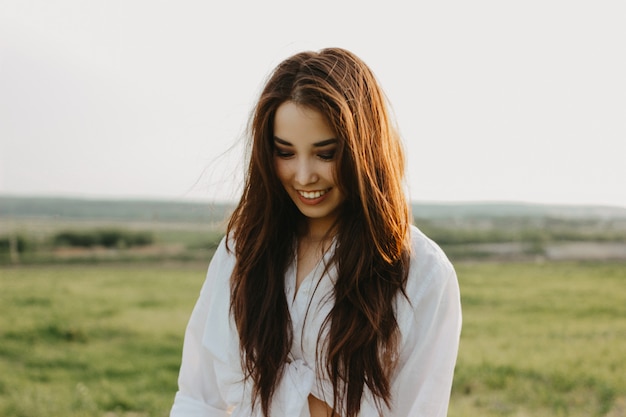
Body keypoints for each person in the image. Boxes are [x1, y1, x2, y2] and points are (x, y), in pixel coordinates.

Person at [170, 47, 462, 417]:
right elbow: (198, 397)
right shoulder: (242, 249)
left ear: (364, 150)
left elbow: (421, 408)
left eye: (326, 154)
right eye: (285, 153)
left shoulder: (422, 273)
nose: (304, 175)